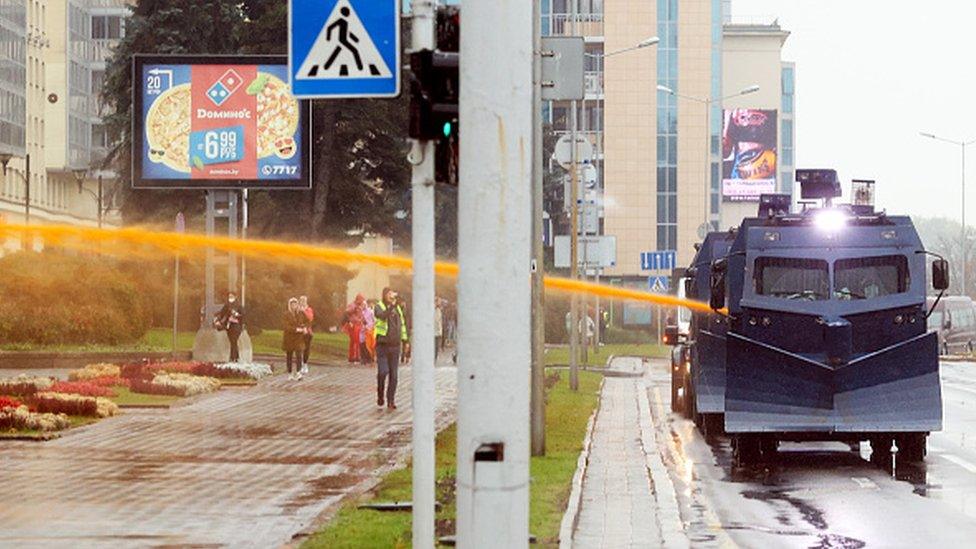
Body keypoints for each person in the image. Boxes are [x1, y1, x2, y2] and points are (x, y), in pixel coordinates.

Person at [374, 288, 406, 409]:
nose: (391, 296)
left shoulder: (397, 308)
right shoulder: (379, 306)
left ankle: (391, 400)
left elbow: (402, 325)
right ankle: (380, 394)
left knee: (394, 375)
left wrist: (405, 341)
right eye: (389, 294)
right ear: (384, 295)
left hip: (395, 346)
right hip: (382, 345)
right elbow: (381, 316)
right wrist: (391, 307)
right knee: (383, 372)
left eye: (392, 293)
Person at [214, 291, 245, 363]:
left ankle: (232, 358)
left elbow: (243, 316)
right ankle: (236, 358)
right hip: (229, 326)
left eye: (232, 296)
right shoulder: (227, 306)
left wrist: (237, 315)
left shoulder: (239, 306)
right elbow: (222, 314)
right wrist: (217, 320)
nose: (230, 298)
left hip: (236, 326)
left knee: (234, 341)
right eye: (229, 297)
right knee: (232, 342)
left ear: (235, 297)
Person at [283, 298, 308, 380]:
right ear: (289, 305)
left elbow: (307, 321)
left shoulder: (300, 313)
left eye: (295, 304)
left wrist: (304, 328)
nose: (294, 306)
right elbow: (286, 326)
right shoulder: (286, 314)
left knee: (299, 355)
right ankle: (289, 373)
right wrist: (296, 329)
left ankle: (298, 372)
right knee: (289, 356)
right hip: (289, 338)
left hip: (298, 338)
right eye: (292, 304)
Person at [343, 294, 366, 363]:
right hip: (353, 324)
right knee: (354, 341)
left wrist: (364, 322)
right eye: (361, 300)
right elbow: (347, 312)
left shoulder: (360, 306)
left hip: (359, 324)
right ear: (358, 300)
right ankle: (354, 356)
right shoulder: (352, 305)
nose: (362, 302)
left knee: (357, 341)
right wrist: (349, 321)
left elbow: (362, 315)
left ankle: (356, 356)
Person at [299, 296, 314, 375]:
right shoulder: (297, 310)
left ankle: (305, 364)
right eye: (301, 300)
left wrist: (303, 311)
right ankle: (300, 364)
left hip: (307, 332)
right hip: (299, 331)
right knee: (299, 348)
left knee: (306, 348)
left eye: (304, 301)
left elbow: (310, 318)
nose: (302, 302)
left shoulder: (309, 310)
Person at [362, 298, 376, 364]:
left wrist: (372, 327)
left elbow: (374, 320)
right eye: (362, 305)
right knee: (366, 345)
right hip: (365, 330)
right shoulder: (362, 312)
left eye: (364, 304)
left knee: (372, 345)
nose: (363, 306)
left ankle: (372, 358)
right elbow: (362, 321)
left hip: (371, 330)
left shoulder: (371, 311)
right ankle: (367, 359)